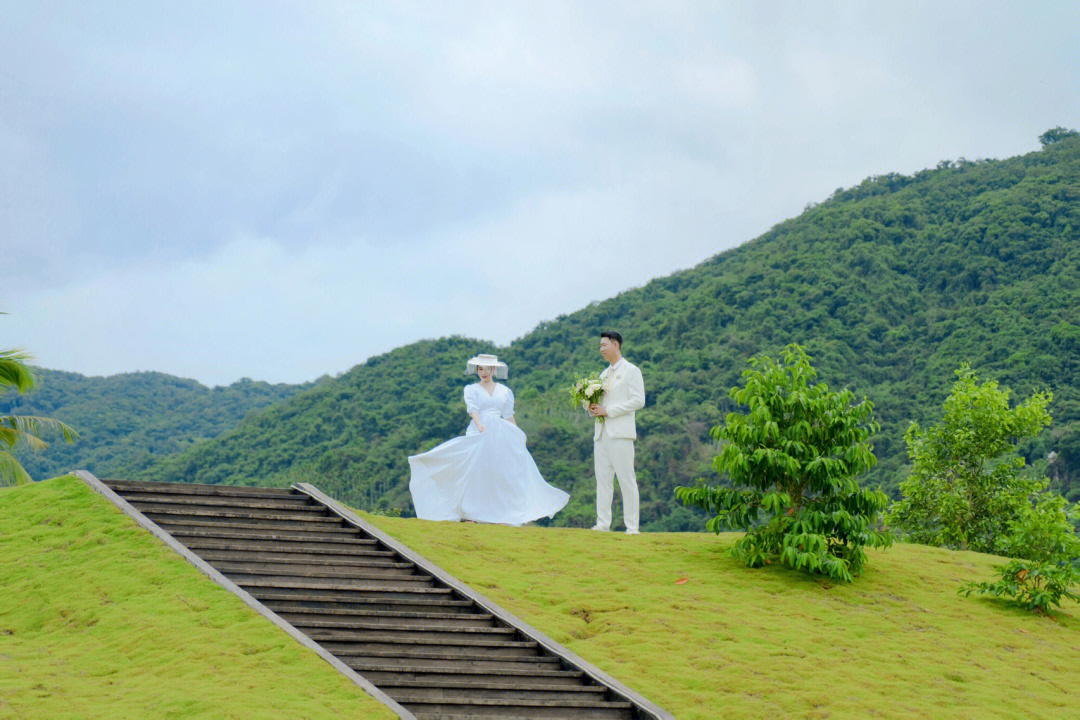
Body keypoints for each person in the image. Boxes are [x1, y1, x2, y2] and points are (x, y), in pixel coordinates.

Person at [408, 353, 569, 525]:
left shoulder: (505, 391)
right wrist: (479, 425)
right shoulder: (471, 389)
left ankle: (500, 512)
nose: (483, 372)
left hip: (500, 433)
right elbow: (473, 410)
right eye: (480, 369)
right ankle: (470, 513)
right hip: (480, 432)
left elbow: (508, 415)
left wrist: (517, 434)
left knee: (499, 471)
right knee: (474, 470)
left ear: (493, 369)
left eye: (487, 369)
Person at [588, 331, 645, 534]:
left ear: (616, 345)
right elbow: (602, 403)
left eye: (604, 345)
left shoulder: (631, 371)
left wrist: (609, 411)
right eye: (600, 346)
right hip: (601, 433)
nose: (601, 349)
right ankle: (603, 523)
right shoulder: (603, 375)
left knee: (626, 479)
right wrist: (593, 408)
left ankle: (632, 526)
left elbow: (638, 401)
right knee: (602, 480)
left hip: (620, 433)